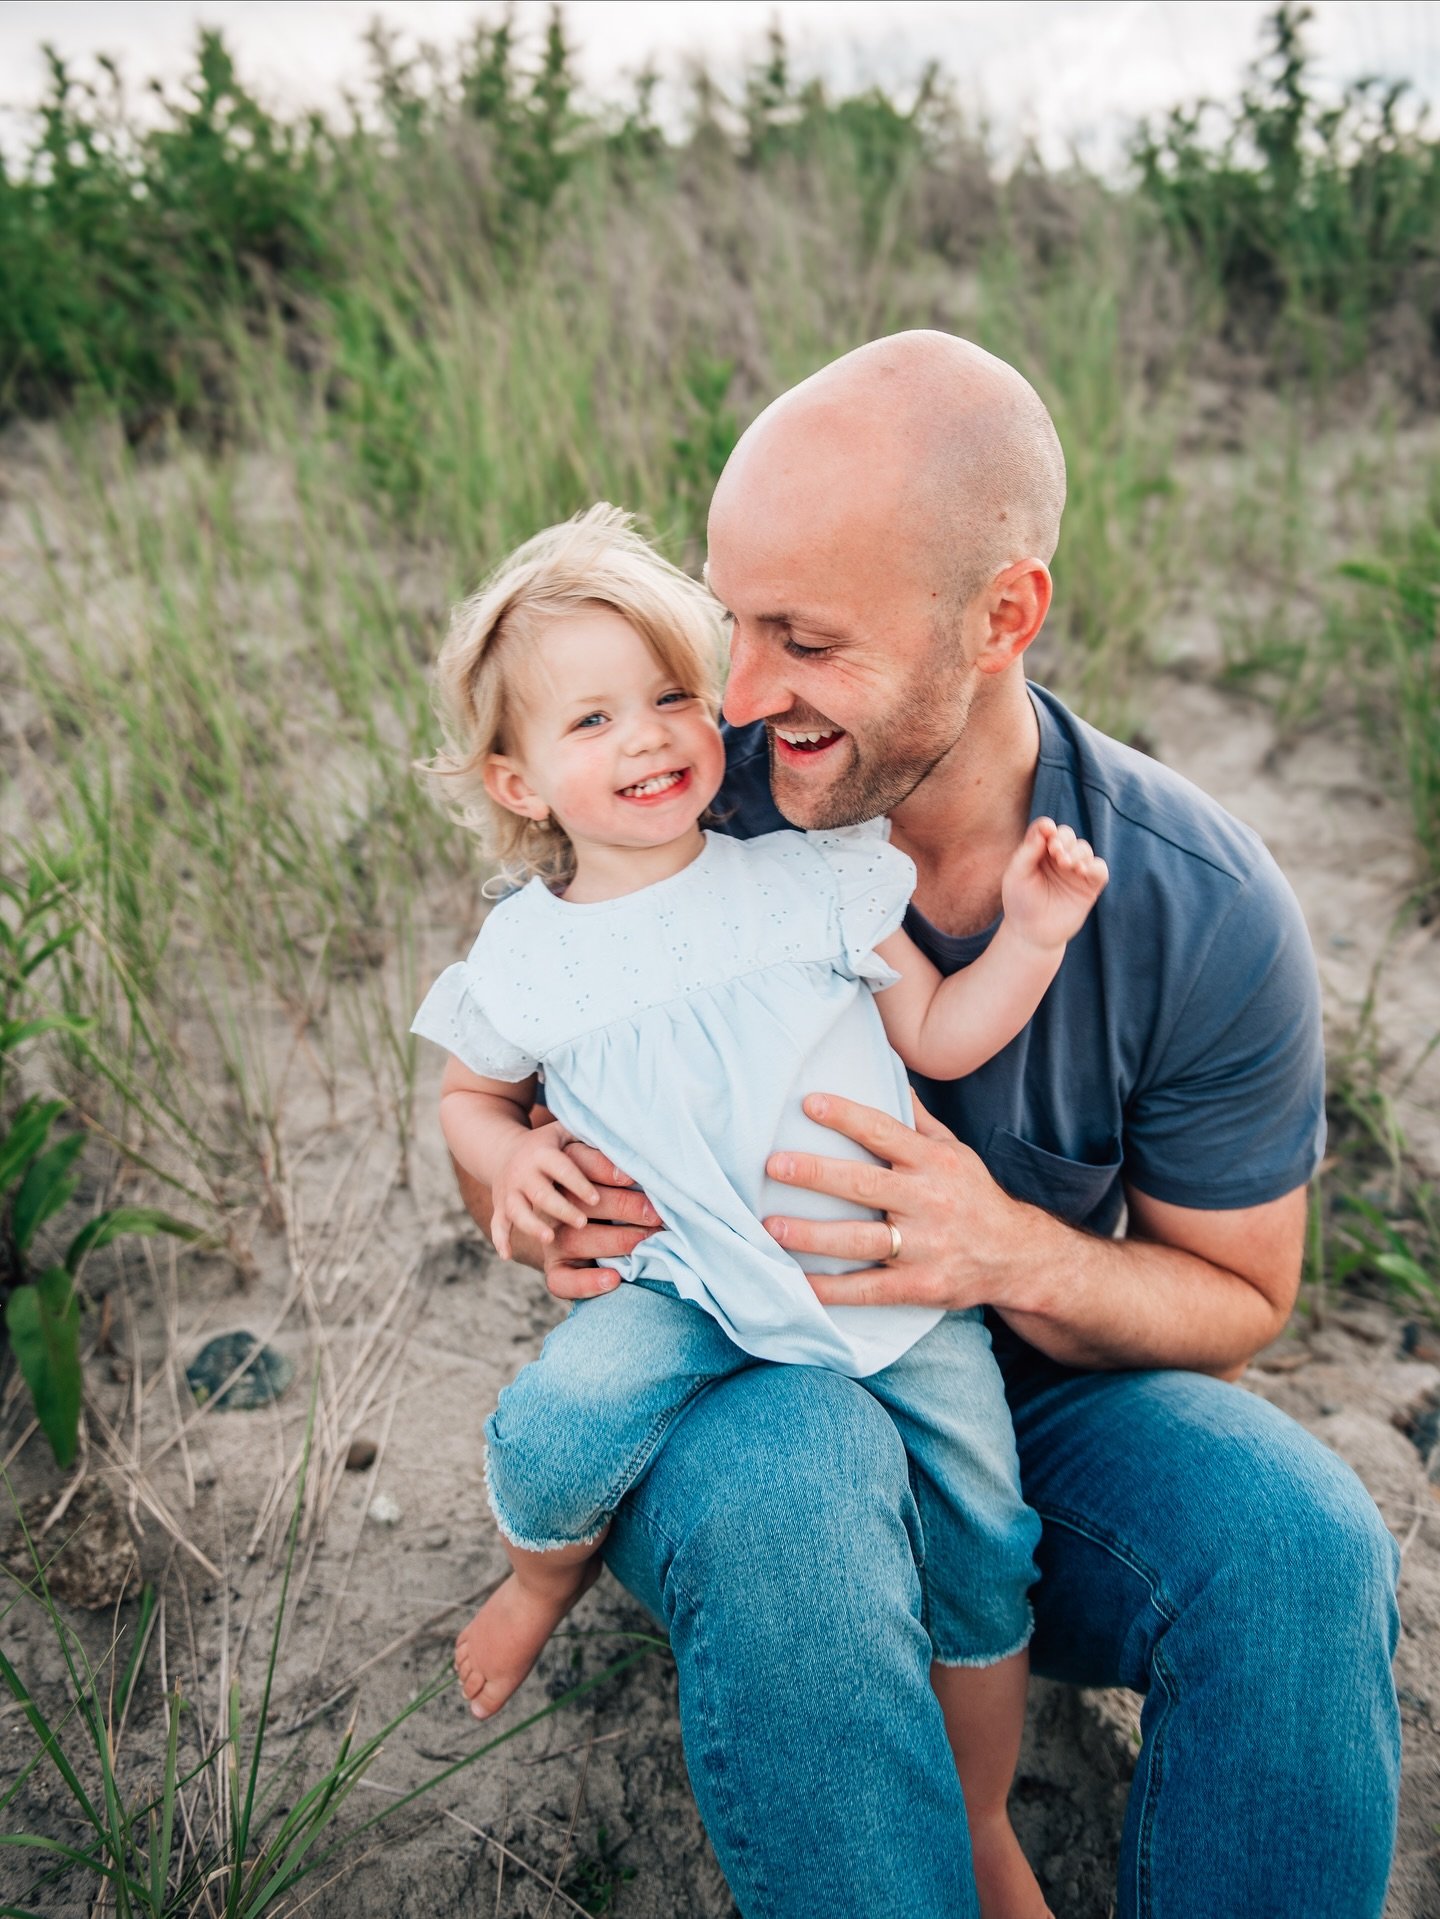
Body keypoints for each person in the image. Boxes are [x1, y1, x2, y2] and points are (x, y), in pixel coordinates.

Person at [452, 333, 1402, 1919]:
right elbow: (495, 1084)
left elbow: (1237, 1302)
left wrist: (1006, 1249)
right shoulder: (676, 798)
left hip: (1013, 1412)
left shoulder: (1197, 903)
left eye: (802, 640)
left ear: (1002, 617)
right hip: (739, 1387)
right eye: (727, 623)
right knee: (801, 1476)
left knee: (1300, 1546)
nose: (740, 698)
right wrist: (524, 1190)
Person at [411, 502, 1108, 1918]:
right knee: (560, 1421)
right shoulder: (531, 956)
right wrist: (506, 1161)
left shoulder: (808, 880)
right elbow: (468, 1097)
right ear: (520, 779)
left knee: (984, 1532)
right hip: (680, 1282)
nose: (652, 737)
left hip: (879, 1287)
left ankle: (979, 1819)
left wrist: (1031, 938)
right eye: (591, 720)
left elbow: (945, 1035)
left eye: (672, 694)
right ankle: (539, 1585)